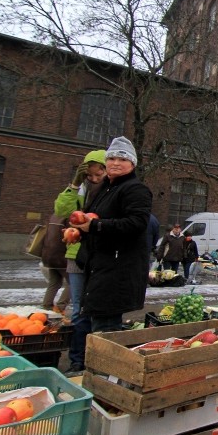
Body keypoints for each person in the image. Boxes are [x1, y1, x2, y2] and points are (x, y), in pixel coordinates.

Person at [71, 136, 152, 333]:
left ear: (132, 164)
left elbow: (137, 223)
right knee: (98, 322)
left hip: (117, 269)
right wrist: (78, 231)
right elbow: (92, 218)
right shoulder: (105, 189)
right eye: (112, 158)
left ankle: (104, 363)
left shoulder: (135, 189)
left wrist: (95, 226)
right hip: (100, 265)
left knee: (106, 328)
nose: (116, 163)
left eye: (122, 159)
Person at [54, 149, 107, 374]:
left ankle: (94, 358)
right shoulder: (80, 192)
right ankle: (77, 359)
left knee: (96, 308)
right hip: (76, 255)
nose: (94, 179)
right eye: (90, 175)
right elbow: (61, 210)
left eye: (99, 174)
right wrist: (74, 185)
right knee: (78, 309)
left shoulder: (111, 192)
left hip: (100, 255)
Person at [40, 213, 70, 315]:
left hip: (49, 255)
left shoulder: (53, 215)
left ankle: (46, 306)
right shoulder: (70, 217)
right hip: (61, 256)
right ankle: (60, 307)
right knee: (72, 283)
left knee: (54, 282)